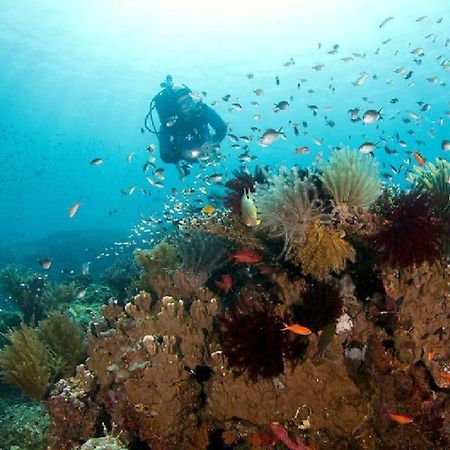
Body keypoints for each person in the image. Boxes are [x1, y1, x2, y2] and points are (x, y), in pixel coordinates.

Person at [144, 75, 227, 178]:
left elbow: (222, 128)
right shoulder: (169, 124)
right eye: (183, 103)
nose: (189, 105)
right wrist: (182, 154)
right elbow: (165, 156)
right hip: (184, 158)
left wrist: (213, 141)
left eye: (189, 100)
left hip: (207, 152)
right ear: (176, 107)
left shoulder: (202, 110)